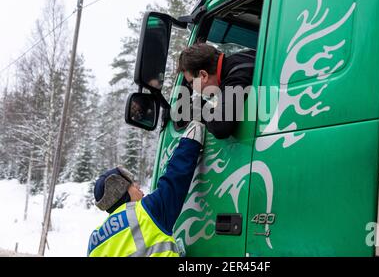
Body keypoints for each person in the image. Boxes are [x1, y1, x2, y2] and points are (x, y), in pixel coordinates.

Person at [87, 120, 205, 257]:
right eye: (131, 184)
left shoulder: (94, 241)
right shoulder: (145, 212)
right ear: (122, 193)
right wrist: (192, 138)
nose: (137, 186)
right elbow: (175, 178)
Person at [178, 43, 255, 139]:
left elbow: (220, 127)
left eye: (191, 83)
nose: (193, 88)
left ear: (203, 75)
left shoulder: (235, 76)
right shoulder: (244, 58)